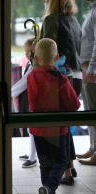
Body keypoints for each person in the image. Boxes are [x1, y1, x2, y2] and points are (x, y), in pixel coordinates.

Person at [27, 39, 80, 194]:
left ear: (35, 58)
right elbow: (74, 104)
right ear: (56, 57)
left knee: (45, 164)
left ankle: (47, 189)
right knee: (61, 161)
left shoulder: (31, 77)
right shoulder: (61, 79)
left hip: (38, 129)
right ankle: (50, 188)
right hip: (57, 129)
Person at [41, 0, 82, 185]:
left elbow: (46, 52)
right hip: (77, 77)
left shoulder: (51, 20)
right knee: (66, 124)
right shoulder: (74, 21)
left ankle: (65, 171)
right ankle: (69, 167)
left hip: (59, 78)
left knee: (60, 126)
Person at [12, 38, 37, 168]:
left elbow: (24, 83)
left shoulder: (33, 66)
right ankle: (31, 154)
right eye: (25, 51)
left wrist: (10, 93)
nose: (26, 54)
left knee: (32, 128)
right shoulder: (30, 64)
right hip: (28, 98)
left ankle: (33, 157)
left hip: (31, 99)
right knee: (30, 127)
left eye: (28, 51)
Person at [76, 0, 96, 166]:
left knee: (93, 110)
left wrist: (92, 69)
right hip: (86, 66)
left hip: (91, 69)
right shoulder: (92, 10)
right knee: (90, 109)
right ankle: (93, 147)